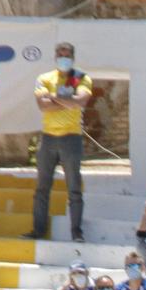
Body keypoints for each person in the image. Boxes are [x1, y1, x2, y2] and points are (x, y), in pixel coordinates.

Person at [26, 42, 91, 243]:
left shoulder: (81, 77)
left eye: (68, 54)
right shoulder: (44, 78)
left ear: (73, 57)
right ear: (55, 56)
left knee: (74, 187)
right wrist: (66, 100)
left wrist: (53, 97)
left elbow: (81, 102)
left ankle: (76, 231)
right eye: (61, 54)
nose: (64, 57)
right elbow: (43, 106)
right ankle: (38, 229)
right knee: (42, 187)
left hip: (71, 137)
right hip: (48, 138)